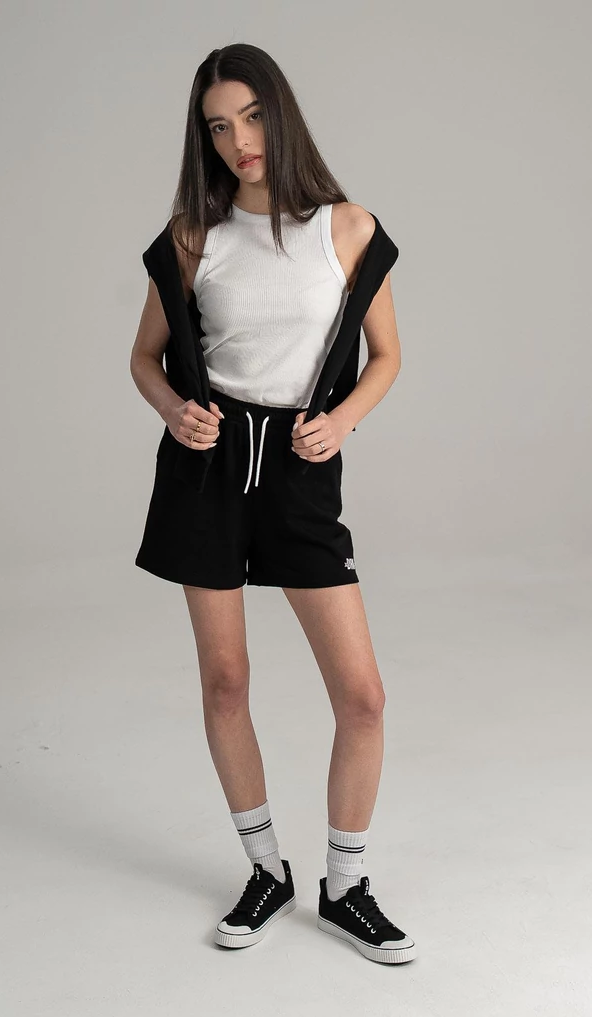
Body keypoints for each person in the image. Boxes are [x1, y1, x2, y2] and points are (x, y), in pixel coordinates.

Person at [130, 42, 415, 965]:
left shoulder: (349, 228)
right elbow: (143, 358)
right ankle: (265, 872)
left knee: (362, 697)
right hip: (208, 471)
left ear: (280, 113)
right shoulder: (194, 235)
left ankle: (345, 885)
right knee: (225, 681)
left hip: (297, 470)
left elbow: (387, 357)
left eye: (251, 117)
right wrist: (174, 411)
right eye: (218, 127)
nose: (238, 140)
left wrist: (343, 422)